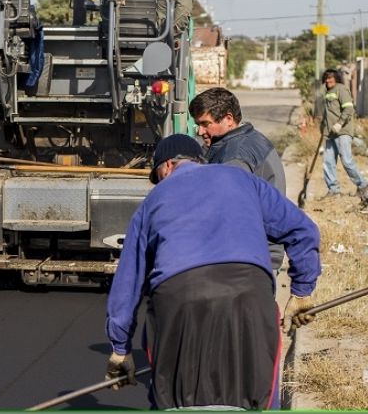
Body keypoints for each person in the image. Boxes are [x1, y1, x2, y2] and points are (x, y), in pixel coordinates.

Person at [105, 134, 321, 410]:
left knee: (174, 401)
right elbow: (303, 230)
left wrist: (120, 349)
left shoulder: (154, 200)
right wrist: (302, 291)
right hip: (249, 293)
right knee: (257, 394)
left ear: (167, 165)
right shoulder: (243, 180)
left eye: (158, 175)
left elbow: (129, 280)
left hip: (180, 298)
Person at [190, 87, 286, 272]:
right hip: (257, 252)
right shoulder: (250, 138)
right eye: (198, 125)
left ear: (228, 119)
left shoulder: (236, 156)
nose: (200, 131)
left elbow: (229, 214)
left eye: (205, 124)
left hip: (246, 258)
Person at [317, 69, 368, 207]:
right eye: (326, 78)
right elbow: (328, 114)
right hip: (330, 133)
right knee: (328, 162)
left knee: (346, 160)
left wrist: (340, 123)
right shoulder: (327, 92)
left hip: (343, 131)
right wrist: (323, 128)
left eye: (331, 78)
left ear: (336, 79)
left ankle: (363, 185)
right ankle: (333, 190)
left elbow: (349, 109)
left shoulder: (341, 89)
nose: (328, 81)